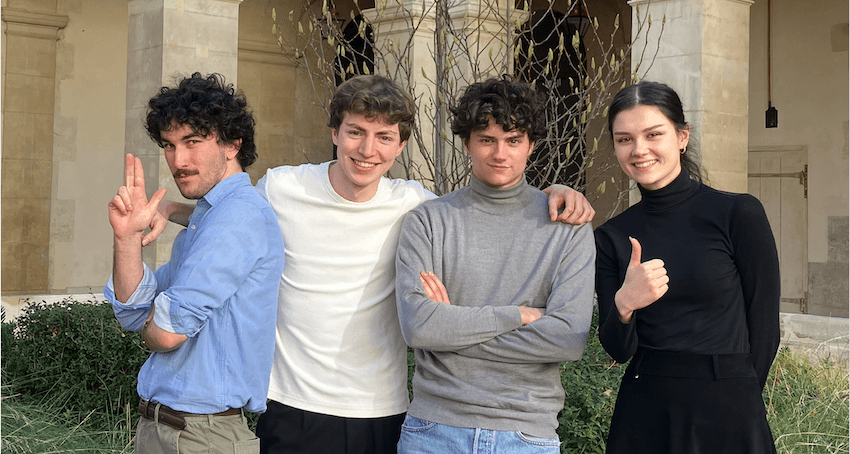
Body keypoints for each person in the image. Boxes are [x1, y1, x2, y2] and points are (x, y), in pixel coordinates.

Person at [151, 74, 595, 454]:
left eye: (384, 137)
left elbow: (489, 203)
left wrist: (557, 192)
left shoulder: (416, 206)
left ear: (401, 145)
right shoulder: (282, 188)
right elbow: (237, 219)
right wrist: (172, 209)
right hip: (290, 404)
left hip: (383, 411)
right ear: (334, 133)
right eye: (355, 132)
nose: (367, 150)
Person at [394, 77, 597, 453]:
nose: (500, 154)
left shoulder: (568, 227)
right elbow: (419, 328)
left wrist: (452, 330)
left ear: (531, 145)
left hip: (526, 435)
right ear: (467, 143)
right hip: (434, 430)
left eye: (513, 140)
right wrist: (515, 316)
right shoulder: (427, 221)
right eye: (487, 140)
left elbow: (567, 338)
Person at [594, 81, 780, 453]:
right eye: (625, 139)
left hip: (729, 408)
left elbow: (764, 327)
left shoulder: (737, 213)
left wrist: (741, 400)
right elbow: (617, 348)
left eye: (653, 134)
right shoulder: (612, 235)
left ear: (682, 136)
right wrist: (625, 304)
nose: (639, 149)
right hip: (644, 412)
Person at [104, 72, 285, 454]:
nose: (178, 160)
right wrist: (127, 238)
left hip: (202, 436)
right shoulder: (208, 219)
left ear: (232, 144)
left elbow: (166, 334)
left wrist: (155, 323)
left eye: (193, 142)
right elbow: (132, 311)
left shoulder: (238, 216)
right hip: (166, 428)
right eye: (169, 145)